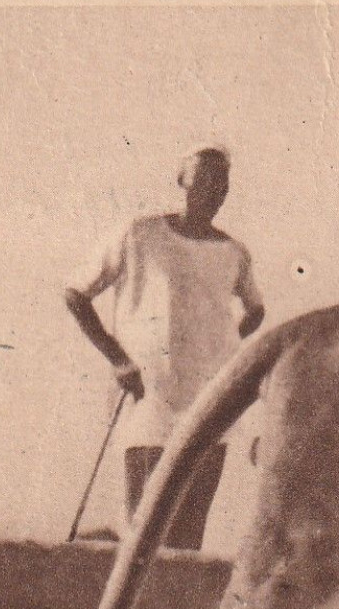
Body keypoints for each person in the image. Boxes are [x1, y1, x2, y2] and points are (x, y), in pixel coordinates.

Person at [64, 147, 265, 550]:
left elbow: (256, 310)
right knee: (147, 528)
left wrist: (222, 352)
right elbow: (76, 295)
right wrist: (119, 360)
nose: (214, 191)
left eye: (222, 183)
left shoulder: (234, 252)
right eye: (204, 180)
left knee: (188, 537)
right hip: (150, 397)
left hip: (210, 401)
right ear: (183, 180)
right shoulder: (140, 234)